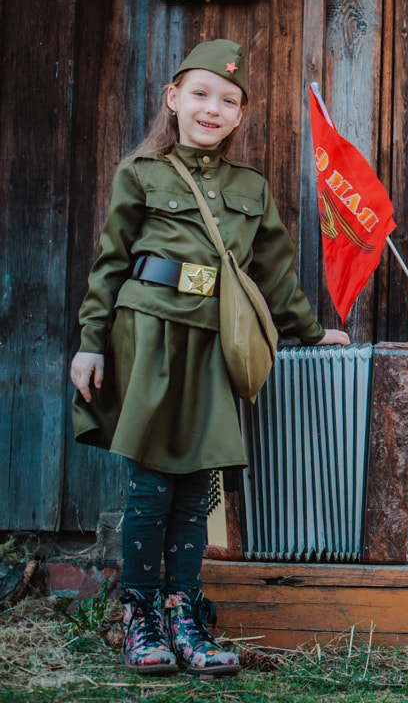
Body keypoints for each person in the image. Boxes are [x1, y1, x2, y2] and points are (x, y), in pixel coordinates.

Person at [69, 40, 349, 676]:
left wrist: (307, 331)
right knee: (150, 486)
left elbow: (274, 272)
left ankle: (184, 612)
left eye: (228, 100)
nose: (212, 108)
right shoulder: (140, 174)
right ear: (173, 100)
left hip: (213, 342)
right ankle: (139, 615)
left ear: (241, 115)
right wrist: (90, 343)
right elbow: (110, 263)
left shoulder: (250, 187)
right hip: (149, 337)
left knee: (198, 489)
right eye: (199, 94)